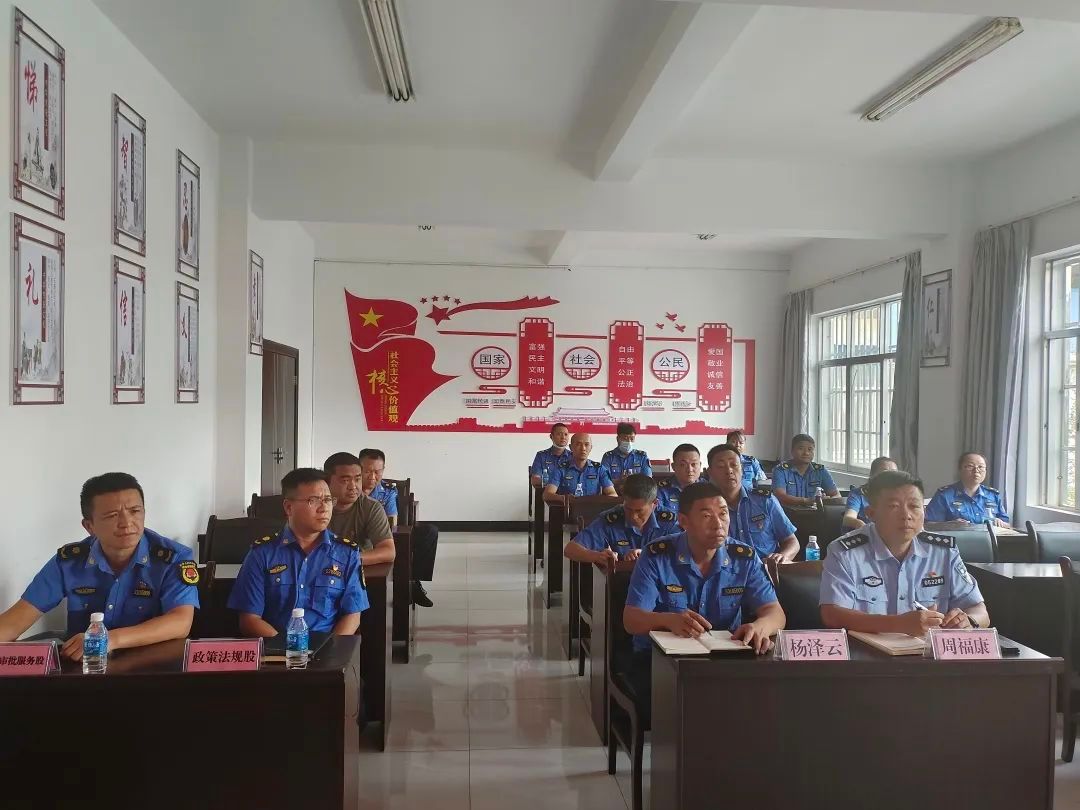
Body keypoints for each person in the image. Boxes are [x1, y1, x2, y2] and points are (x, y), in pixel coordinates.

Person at [621, 482, 786, 714]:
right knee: (690, 706)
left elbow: (775, 613)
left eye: (723, 514)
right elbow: (631, 620)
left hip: (726, 658)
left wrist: (759, 627)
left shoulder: (744, 558)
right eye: (707, 516)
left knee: (764, 702)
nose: (718, 524)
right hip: (659, 660)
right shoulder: (657, 555)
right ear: (684, 521)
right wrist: (668, 620)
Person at [0, 472, 199, 661]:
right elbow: (15, 621)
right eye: (112, 515)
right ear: (89, 526)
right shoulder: (69, 562)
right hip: (87, 670)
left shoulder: (173, 558)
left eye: (135, 511)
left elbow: (180, 622)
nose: (127, 523)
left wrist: (110, 639)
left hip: (152, 669)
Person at [820, 470, 990, 634]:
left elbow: (979, 610)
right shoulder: (844, 552)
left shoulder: (944, 552)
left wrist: (969, 621)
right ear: (871, 513)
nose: (906, 515)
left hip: (929, 651)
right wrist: (898, 624)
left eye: (914, 506)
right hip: (867, 651)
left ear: (924, 511)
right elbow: (832, 615)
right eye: (893, 506)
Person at [228, 468, 368, 637]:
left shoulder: (346, 554)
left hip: (328, 648)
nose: (324, 508)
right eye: (313, 500)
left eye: (328, 500)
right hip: (275, 648)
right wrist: (290, 648)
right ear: (289, 507)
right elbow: (249, 619)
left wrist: (331, 648)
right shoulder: (262, 554)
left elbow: (352, 615)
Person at [357, 448, 440, 608]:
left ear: (383, 470)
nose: (372, 477)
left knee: (428, 532)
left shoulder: (387, 491)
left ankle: (412, 581)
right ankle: (410, 586)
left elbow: (391, 523)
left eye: (377, 471)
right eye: (367, 471)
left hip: (381, 535)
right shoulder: (349, 489)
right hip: (356, 536)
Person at [706, 443, 799, 565]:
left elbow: (792, 541)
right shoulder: (705, 508)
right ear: (710, 472)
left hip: (767, 569)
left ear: (742, 469)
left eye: (734, 465)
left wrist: (782, 557)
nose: (729, 471)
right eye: (721, 466)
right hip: (728, 572)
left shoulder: (765, 501)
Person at [564, 474, 679, 565]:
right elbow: (570, 549)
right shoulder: (611, 519)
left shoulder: (670, 521)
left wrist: (647, 554)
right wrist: (598, 556)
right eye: (628, 509)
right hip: (621, 583)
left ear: (655, 504)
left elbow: (686, 553)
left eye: (639, 511)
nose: (633, 516)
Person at [323, 452, 396, 567]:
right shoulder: (315, 505)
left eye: (357, 479)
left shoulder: (371, 507)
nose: (353, 486)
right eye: (345, 480)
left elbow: (388, 551)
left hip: (357, 569)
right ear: (327, 482)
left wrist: (344, 559)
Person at [925, 452, 1010, 527]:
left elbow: (1007, 525)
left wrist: (1001, 523)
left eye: (981, 467)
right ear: (960, 469)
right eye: (970, 466)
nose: (976, 470)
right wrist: (949, 525)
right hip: (956, 539)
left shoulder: (993, 495)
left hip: (990, 539)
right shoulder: (944, 495)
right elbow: (928, 524)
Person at [772, 434, 839, 507]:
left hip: (815, 512)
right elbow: (780, 496)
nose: (806, 453)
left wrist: (826, 501)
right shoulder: (781, 470)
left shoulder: (820, 471)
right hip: (788, 512)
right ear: (792, 451)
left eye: (810, 449)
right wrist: (806, 501)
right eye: (801, 448)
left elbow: (836, 495)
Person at [544, 432, 617, 497]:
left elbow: (612, 493)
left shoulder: (599, 469)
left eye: (586, 444)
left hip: (593, 507)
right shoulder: (561, 469)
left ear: (591, 447)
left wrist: (601, 502)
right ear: (571, 447)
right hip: (568, 507)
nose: (583, 448)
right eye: (578, 444)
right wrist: (565, 499)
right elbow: (547, 494)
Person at [843, 456, 899, 530]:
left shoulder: (899, 496)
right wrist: (859, 524)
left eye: (893, 472)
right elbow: (848, 518)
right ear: (872, 475)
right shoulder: (858, 494)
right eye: (885, 472)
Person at [656, 443, 703, 513]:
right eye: (683, 465)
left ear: (700, 465)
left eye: (694, 464)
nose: (690, 469)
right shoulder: (661, 489)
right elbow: (658, 514)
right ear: (673, 466)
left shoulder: (709, 489)